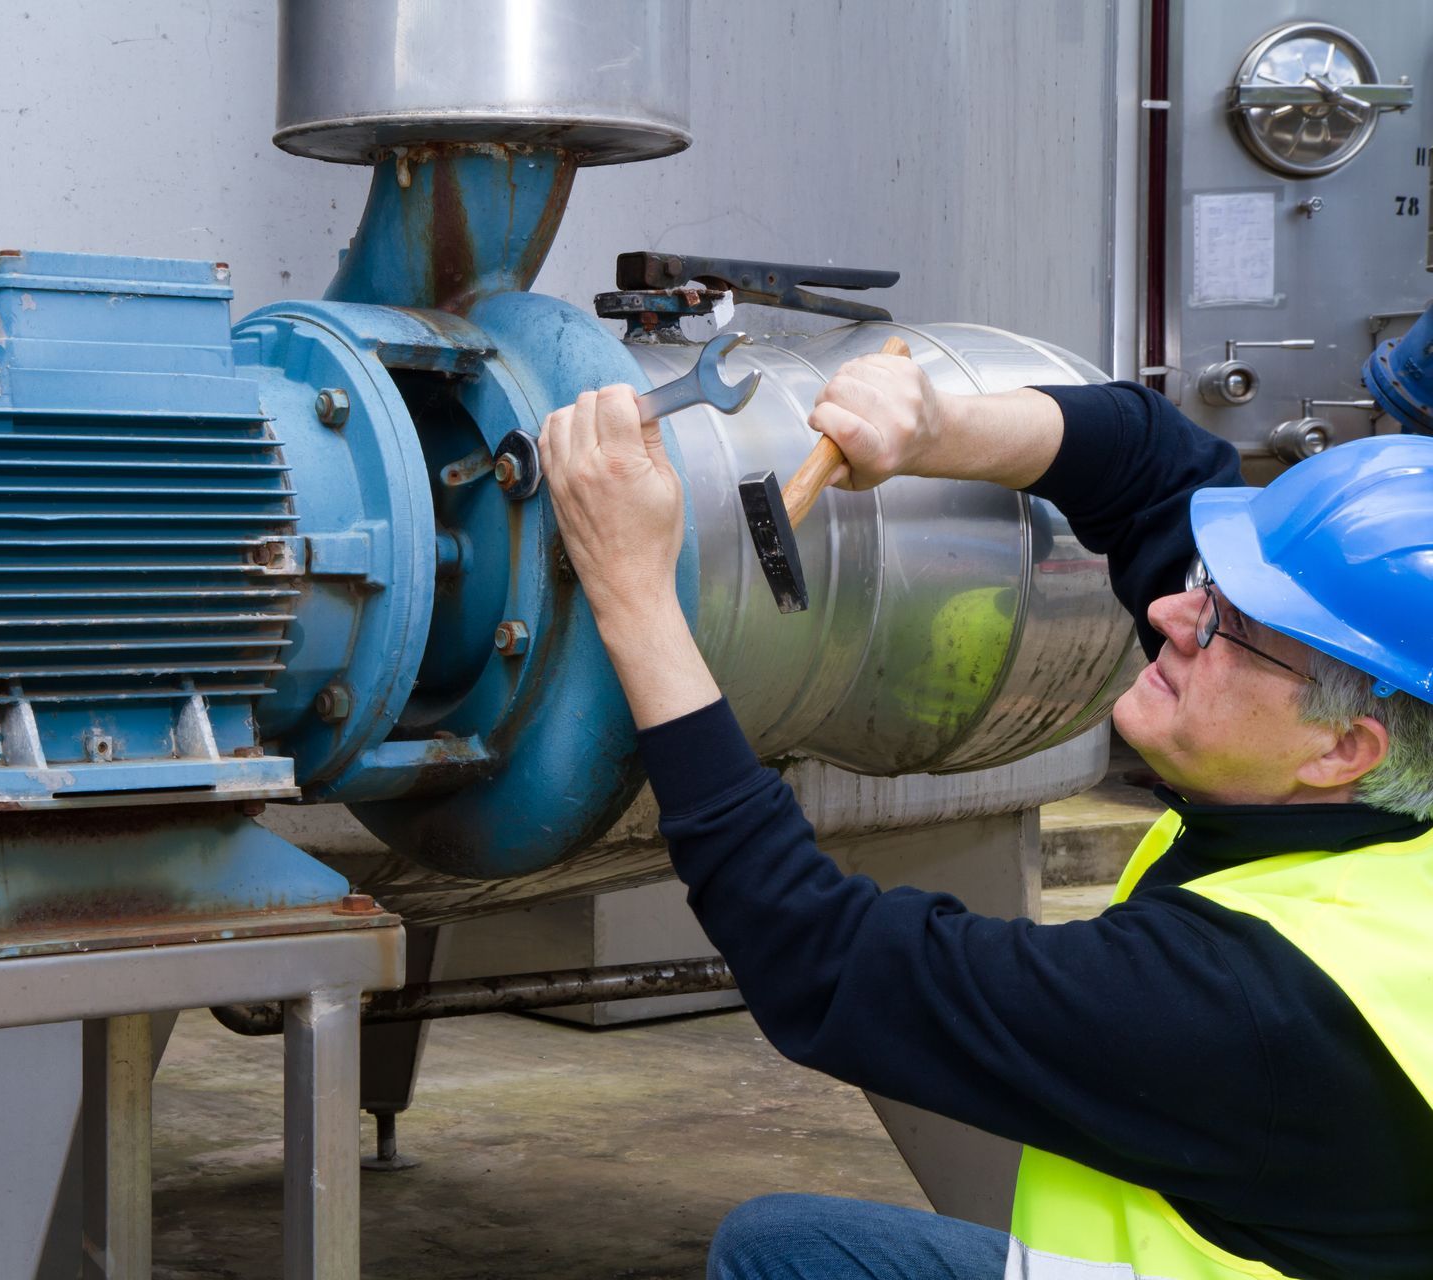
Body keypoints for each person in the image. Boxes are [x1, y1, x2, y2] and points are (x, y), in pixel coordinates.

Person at [537, 351, 1433, 1280]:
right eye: (1210, 577)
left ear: (1344, 750)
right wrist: (935, 430)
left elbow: (819, 958)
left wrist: (637, 598)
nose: (1172, 607)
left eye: (1222, 628)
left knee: (783, 1258)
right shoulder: (1379, 778)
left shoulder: (1246, 1003)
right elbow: (1159, 462)